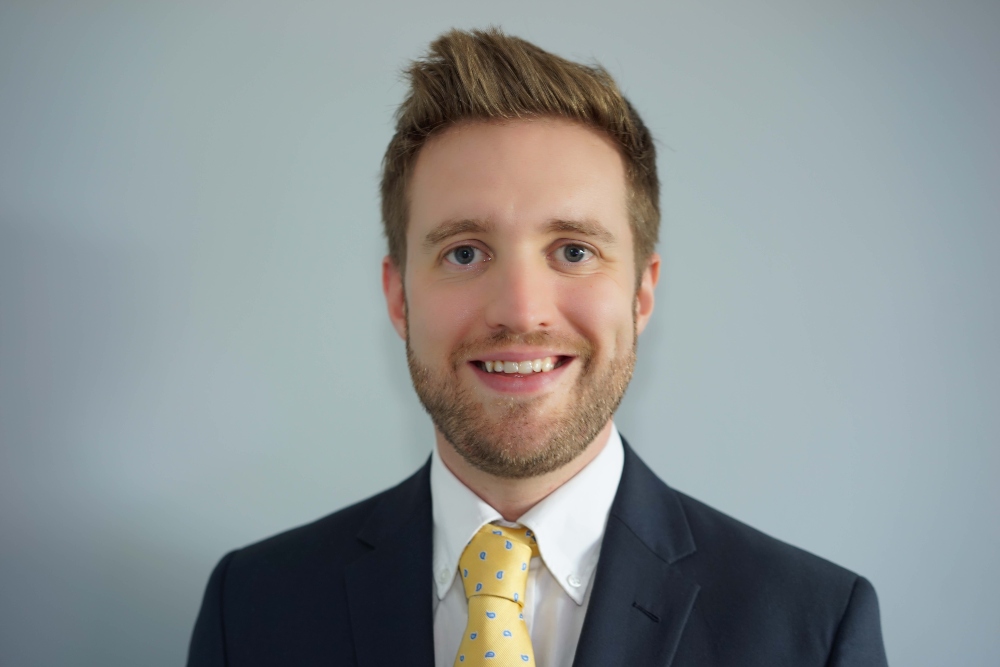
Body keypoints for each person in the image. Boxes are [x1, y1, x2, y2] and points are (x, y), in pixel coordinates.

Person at [187, 28, 888, 667]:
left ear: (642, 293)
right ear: (398, 296)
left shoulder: (813, 628)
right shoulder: (249, 609)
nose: (521, 311)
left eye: (574, 250)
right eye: (465, 252)